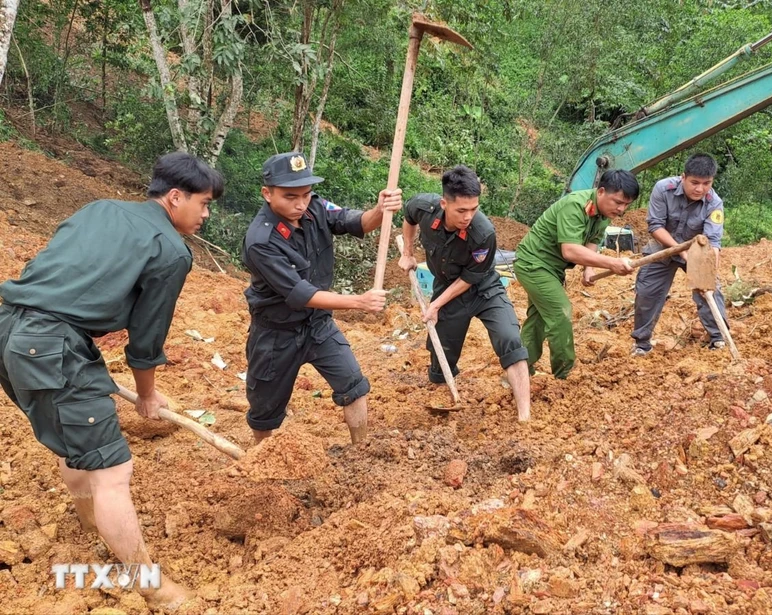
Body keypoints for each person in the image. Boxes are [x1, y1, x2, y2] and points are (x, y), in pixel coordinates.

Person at [0, 152, 223, 609]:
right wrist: (147, 394)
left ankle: (90, 523)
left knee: (76, 443)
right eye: (202, 204)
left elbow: (62, 272)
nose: (204, 215)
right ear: (175, 197)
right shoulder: (172, 251)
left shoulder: (99, 208)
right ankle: (151, 586)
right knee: (113, 470)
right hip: (52, 345)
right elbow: (146, 340)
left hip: (10, 330)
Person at [242, 152, 402, 444]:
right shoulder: (261, 242)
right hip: (276, 333)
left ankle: (360, 452)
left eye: (306, 193)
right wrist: (360, 301)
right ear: (267, 193)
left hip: (318, 325)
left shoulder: (314, 208)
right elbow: (301, 294)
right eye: (290, 196)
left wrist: (381, 209)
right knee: (265, 411)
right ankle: (262, 461)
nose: (300, 203)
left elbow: (357, 223)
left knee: (354, 385)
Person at [399, 165, 531, 421]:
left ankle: (524, 417)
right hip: (447, 286)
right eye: (461, 210)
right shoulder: (424, 208)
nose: (468, 216)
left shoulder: (483, 233)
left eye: (474, 208)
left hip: (484, 289)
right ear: (444, 203)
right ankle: (441, 399)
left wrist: (435, 305)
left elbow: (471, 277)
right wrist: (408, 252)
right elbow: (408, 216)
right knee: (442, 355)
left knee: (510, 338)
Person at [515, 170, 639, 379]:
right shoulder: (575, 205)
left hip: (553, 269)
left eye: (626, 205)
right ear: (601, 192)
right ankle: (565, 375)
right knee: (560, 312)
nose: (621, 209)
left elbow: (592, 241)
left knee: (537, 320)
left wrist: (588, 269)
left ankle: (519, 371)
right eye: (618, 202)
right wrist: (613, 262)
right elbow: (570, 250)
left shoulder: (604, 213)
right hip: (533, 264)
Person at [631, 153, 727, 356]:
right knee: (647, 293)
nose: (699, 189)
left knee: (710, 291)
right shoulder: (663, 189)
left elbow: (714, 242)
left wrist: (708, 269)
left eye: (706, 183)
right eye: (694, 182)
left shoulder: (714, 203)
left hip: (697, 252)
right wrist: (682, 251)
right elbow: (655, 226)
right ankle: (642, 344)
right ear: (683, 177)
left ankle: (719, 339)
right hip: (662, 246)